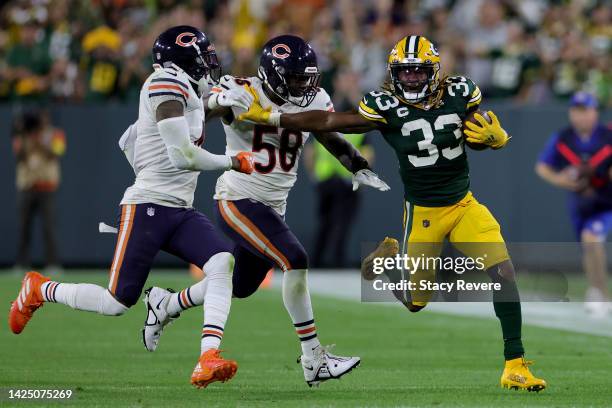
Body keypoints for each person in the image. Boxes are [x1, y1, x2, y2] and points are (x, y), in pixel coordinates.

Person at [239, 35, 547, 392]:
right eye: (405, 73)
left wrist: (498, 138)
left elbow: (479, 129)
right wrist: (274, 117)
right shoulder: (384, 105)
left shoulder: (460, 91)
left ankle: (515, 364)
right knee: (416, 302)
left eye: (418, 72)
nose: (412, 79)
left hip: (463, 204)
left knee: (504, 271)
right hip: (424, 212)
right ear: (393, 73)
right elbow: (328, 122)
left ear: (433, 70)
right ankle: (382, 267)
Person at [9, 25, 255, 389]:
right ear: (182, 60)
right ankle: (39, 289)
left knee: (223, 264)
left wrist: (222, 101)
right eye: (202, 57)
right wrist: (232, 161)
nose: (208, 64)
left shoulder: (181, 88)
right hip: (149, 207)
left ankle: (206, 356)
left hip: (180, 208)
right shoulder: (164, 84)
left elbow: (176, 122)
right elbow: (183, 154)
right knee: (116, 302)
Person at [145, 35, 390, 387]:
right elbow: (203, 110)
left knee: (240, 285)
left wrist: (357, 163)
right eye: (294, 79)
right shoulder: (243, 89)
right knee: (295, 259)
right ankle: (313, 357)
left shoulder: (316, 97)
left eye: (307, 78)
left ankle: (167, 304)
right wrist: (217, 99)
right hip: (238, 198)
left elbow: (325, 131)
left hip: (273, 206)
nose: (303, 86)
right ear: (272, 74)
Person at [536, 91, 612, 318]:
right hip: (582, 202)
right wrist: (561, 180)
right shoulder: (563, 138)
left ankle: (600, 294)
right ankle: (598, 292)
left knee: (591, 239)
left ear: (595, 112)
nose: (581, 116)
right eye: (577, 111)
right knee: (588, 246)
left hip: (607, 200)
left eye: (586, 111)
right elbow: (542, 167)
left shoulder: (607, 136)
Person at [306, 133, 374, 267]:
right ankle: (337, 260)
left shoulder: (325, 127)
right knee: (343, 222)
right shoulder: (358, 131)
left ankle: (317, 260)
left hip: (325, 179)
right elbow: (368, 156)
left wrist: (314, 175)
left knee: (325, 221)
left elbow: (310, 153)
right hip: (347, 182)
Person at [13, 110, 66, 273]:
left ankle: (53, 264)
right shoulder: (23, 134)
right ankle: (21, 264)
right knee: (23, 227)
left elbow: (58, 152)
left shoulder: (56, 134)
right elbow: (18, 155)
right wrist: (24, 134)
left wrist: (41, 140)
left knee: (49, 227)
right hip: (27, 186)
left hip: (47, 186)